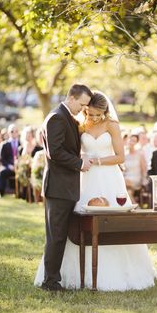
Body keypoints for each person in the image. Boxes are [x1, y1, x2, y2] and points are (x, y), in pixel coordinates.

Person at [35, 91, 157, 291]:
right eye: (89, 113)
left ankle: (118, 273)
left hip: (109, 178)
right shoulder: (80, 124)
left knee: (112, 222)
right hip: (85, 178)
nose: (92, 118)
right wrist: (82, 161)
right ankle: (67, 274)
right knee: (77, 224)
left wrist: (97, 161)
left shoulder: (112, 125)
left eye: (96, 115)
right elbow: (73, 150)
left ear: (105, 111)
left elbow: (120, 157)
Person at [40, 84, 93, 292]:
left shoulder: (65, 116)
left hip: (65, 187)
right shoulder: (57, 117)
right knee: (57, 236)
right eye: (81, 104)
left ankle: (53, 279)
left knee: (61, 235)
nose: (82, 109)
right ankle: (50, 282)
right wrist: (79, 163)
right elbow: (55, 152)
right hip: (58, 187)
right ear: (71, 98)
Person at [0, 124, 19, 197]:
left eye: (16, 131)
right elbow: (2, 159)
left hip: (19, 168)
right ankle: (1, 192)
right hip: (9, 168)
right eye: (12, 131)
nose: (14, 133)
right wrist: (9, 166)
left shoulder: (21, 144)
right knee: (2, 173)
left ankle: (22, 194)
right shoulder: (4, 144)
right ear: (9, 132)